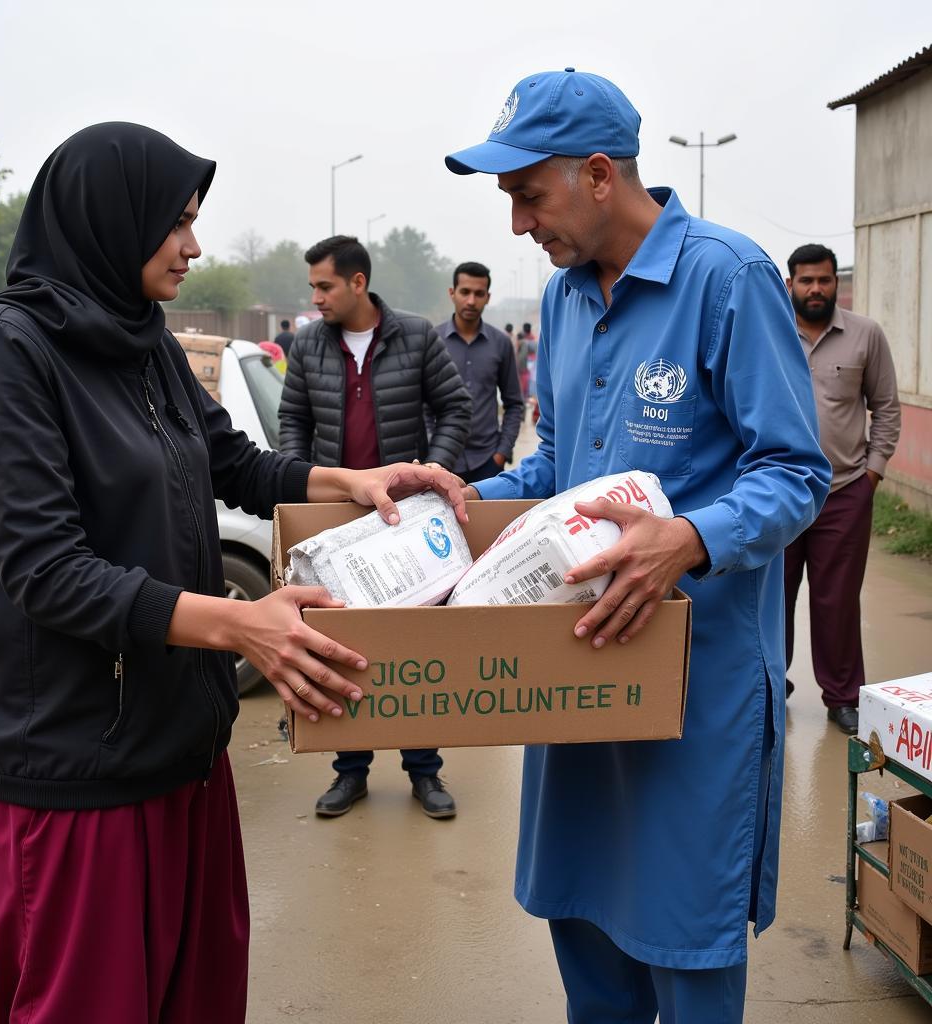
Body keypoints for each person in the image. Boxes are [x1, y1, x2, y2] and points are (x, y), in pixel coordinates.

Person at [0, 123, 467, 1024]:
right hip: (74, 765)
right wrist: (242, 623)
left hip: (179, 743)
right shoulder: (8, 348)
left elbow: (233, 464)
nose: (195, 245)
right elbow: (45, 569)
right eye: (175, 222)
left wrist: (358, 479)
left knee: (197, 996)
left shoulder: (146, 341)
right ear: (110, 218)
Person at [445, 69, 830, 1023]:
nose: (517, 225)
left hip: (692, 685)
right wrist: (460, 500)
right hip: (577, 673)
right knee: (585, 933)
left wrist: (689, 539)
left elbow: (795, 472)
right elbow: (554, 469)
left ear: (601, 174)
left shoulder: (727, 279)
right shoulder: (569, 301)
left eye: (529, 195)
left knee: (684, 944)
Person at [278, 234, 472, 820]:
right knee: (346, 646)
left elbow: (455, 408)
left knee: (416, 646)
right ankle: (350, 772)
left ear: (357, 282)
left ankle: (425, 772)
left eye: (325, 286)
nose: (316, 298)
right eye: (312, 286)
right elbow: (293, 419)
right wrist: (305, 483)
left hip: (403, 522)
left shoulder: (414, 335)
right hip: (339, 522)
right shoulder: (310, 343)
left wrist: (423, 476)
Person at [783, 243, 901, 735]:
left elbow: (887, 408)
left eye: (824, 280)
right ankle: (769, 681)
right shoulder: (769, 331)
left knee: (837, 600)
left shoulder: (865, 335)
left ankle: (843, 696)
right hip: (779, 491)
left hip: (845, 491)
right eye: (806, 280)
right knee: (771, 596)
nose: (816, 289)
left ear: (837, 283)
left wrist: (871, 475)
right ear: (790, 283)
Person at [435, 261, 525, 483]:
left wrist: (501, 453)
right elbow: (422, 405)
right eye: (465, 292)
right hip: (439, 461)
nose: (471, 301)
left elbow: (514, 403)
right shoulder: (433, 341)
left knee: (488, 519)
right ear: (452, 293)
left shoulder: (501, 343)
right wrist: (431, 450)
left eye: (479, 293)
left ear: (488, 297)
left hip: (487, 462)